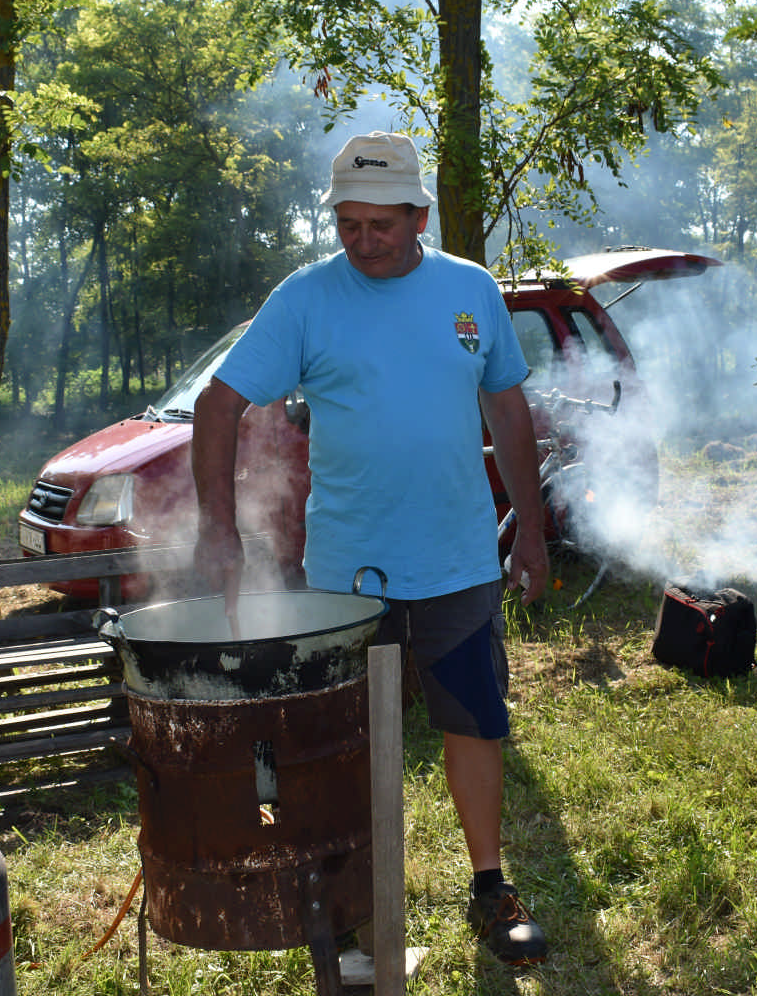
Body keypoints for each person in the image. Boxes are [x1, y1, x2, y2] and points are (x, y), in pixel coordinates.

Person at [191, 131, 552, 966]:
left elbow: (506, 406)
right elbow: (219, 404)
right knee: (340, 743)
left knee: (475, 722)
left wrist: (531, 529)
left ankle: (490, 889)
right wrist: (220, 531)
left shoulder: (470, 290)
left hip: (458, 559)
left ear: (420, 215)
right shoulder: (306, 299)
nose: (363, 241)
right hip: (348, 572)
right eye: (348, 224)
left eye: (381, 225)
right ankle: (349, 913)